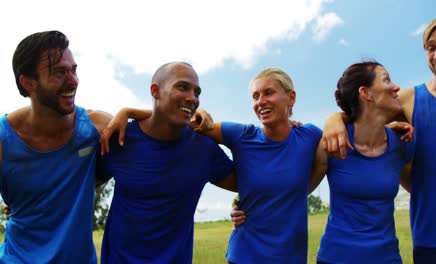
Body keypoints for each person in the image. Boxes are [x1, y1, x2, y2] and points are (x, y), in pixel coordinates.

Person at [102, 67, 322, 263]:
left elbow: (333, 140)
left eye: (268, 93)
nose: (260, 101)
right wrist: (128, 112)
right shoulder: (242, 135)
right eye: (255, 96)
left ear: (291, 98)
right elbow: (183, 119)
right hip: (244, 255)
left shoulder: (310, 136)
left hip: (292, 256)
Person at [323, 15, 436, 263]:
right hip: (432, 241)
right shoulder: (409, 99)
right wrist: (333, 120)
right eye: (430, 47)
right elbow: (363, 112)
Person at [97, 62, 236, 263]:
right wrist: (127, 111)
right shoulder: (120, 139)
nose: (192, 98)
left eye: (197, 92)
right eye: (182, 87)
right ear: (156, 90)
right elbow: (82, 188)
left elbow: (251, 184)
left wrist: (279, 130)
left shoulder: (203, 148)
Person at [0, 31, 112, 263]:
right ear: (28, 82)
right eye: (60, 72)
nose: (73, 81)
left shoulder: (97, 128)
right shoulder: (3, 139)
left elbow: (154, 133)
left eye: (74, 70)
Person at [314, 61, 413, 263]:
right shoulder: (332, 142)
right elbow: (295, 191)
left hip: (387, 258)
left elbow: (423, 188)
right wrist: (244, 211)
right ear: (366, 93)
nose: (396, 87)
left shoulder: (403, 142)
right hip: (335, 258)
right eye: (386, 79)